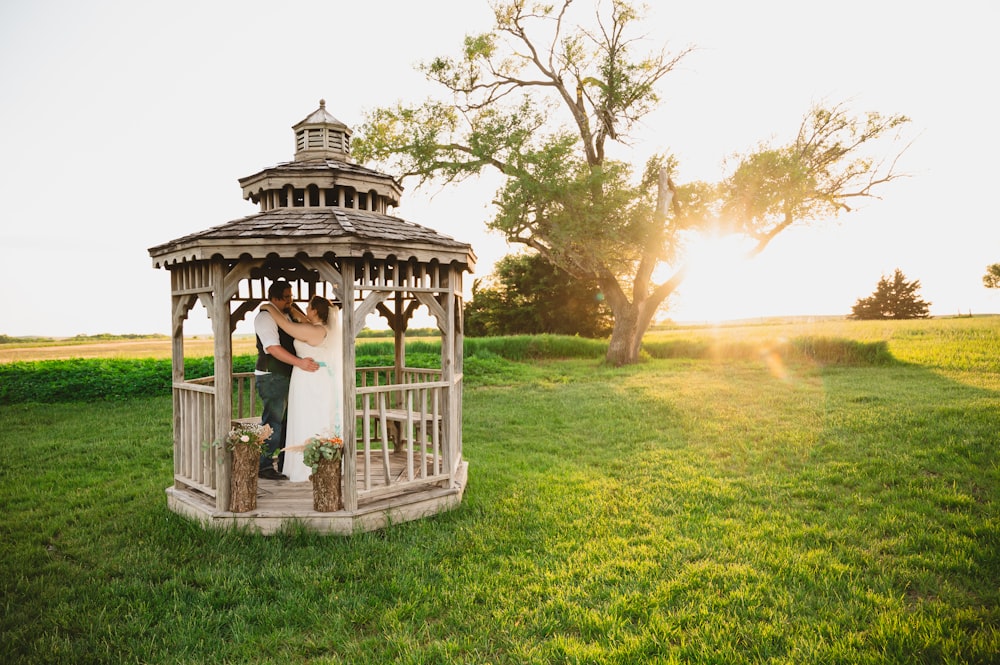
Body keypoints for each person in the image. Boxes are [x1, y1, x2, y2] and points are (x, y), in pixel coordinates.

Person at [260, 294, 343, 482]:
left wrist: (269, 306)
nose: (305, 310)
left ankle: (307, 467)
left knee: (309, 418)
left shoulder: (314, 331)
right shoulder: (321, 328)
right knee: (308, 416)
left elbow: (286, 325)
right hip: (313, 378)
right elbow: (302, 320)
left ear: (314, 311)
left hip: (311, 381)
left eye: (308, 307)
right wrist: (291, 308)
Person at [254, 281, 320, 480]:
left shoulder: (287, 315)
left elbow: (309, 326)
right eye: (286, 297)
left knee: (287, 421)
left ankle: (284, 464)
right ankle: (263, 466)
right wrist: (299, 363)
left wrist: (294, 309)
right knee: (273, 422)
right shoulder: (265, 317)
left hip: (287, 376)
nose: (290, 300)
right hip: (272, 376)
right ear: (274, 298)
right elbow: (272, 348)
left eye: (291, 296)